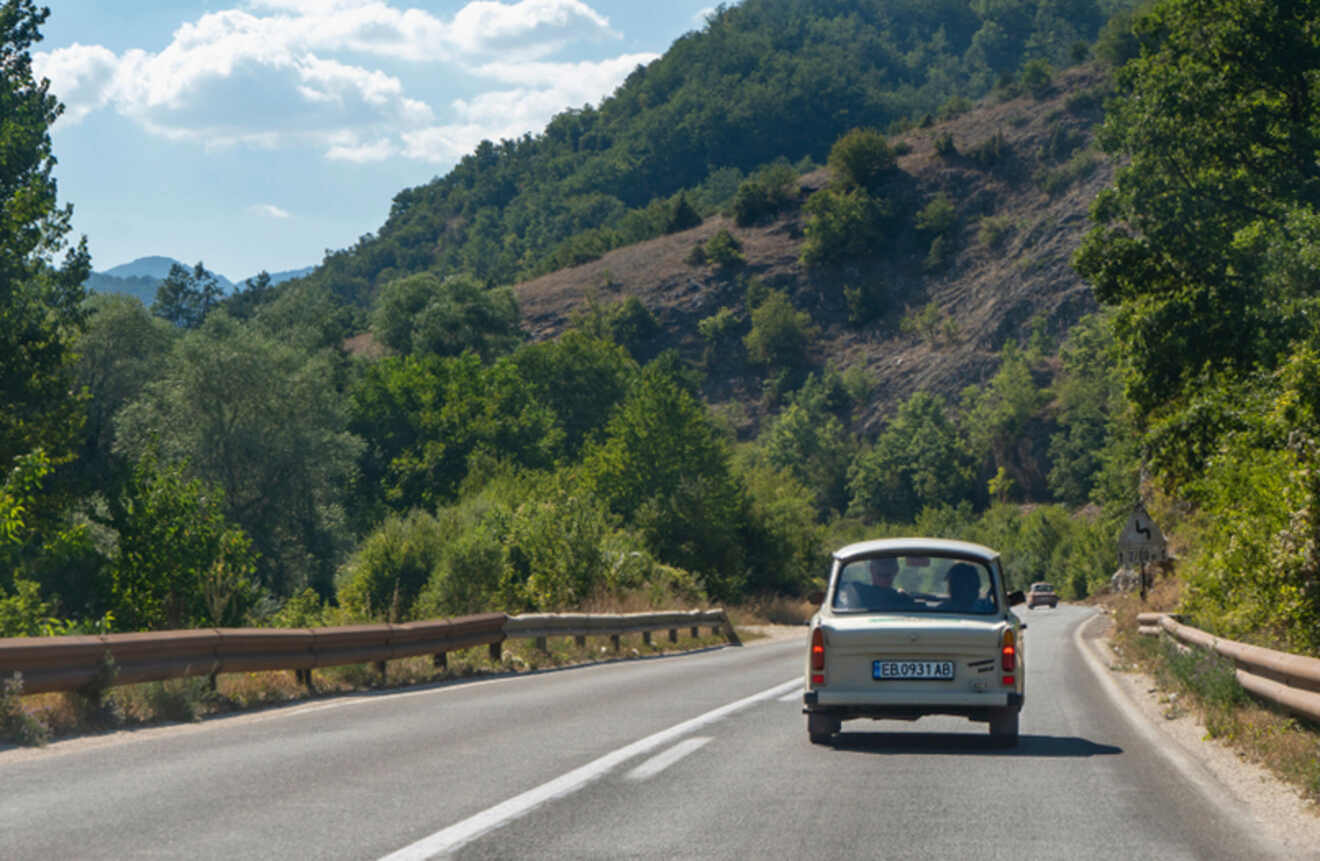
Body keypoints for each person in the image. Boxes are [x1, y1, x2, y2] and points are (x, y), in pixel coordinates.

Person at [840, 556, 915, 610]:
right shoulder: (857, 591)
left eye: (888, 562)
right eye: (881, 562)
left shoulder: (902, 599)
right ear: (871, 569)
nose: (884, 566)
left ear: (896, 570)